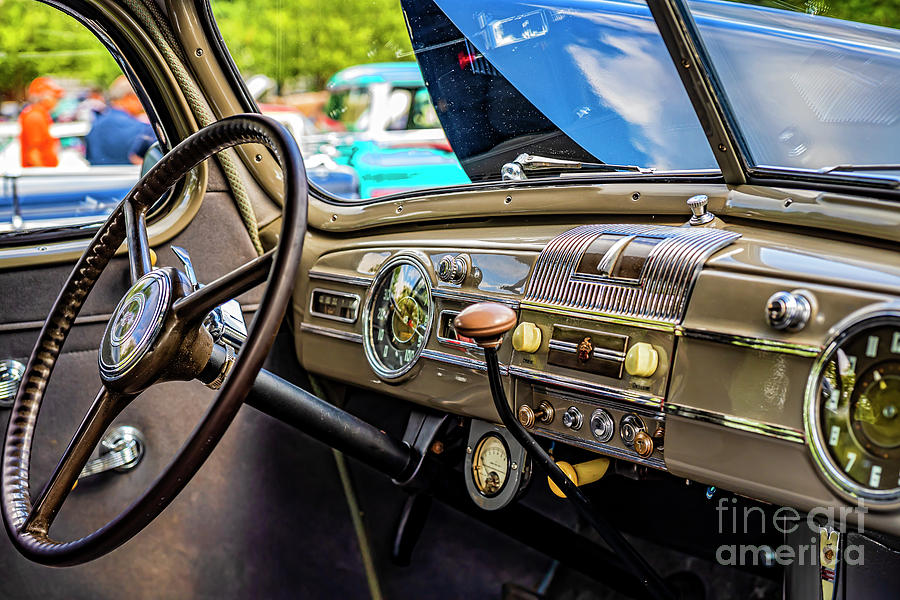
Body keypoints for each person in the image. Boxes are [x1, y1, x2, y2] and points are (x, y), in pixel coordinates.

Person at [85, 76, 157, 165]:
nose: (142, 104)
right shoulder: (143, 129)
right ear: (129, 97)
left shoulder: (94, 127)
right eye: (140, 97)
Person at [19, 76, 65, 167]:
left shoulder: (39, 115)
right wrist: (43, 176)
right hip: (39, 177)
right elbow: (33, 154)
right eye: (56, 97)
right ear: (45, 98)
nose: (57, 101)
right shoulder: (35, 117)